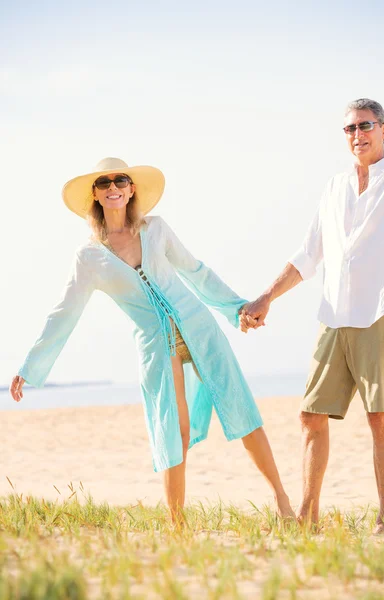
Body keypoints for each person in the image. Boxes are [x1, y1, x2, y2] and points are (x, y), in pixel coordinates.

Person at [10, 157, 295, 523]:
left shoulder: (156, 228)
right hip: (155, 347)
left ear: (131, 190)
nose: (113, 187)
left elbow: (196, 272)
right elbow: (64, 313)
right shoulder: (89, 256)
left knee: (240, 407)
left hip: (198, 327)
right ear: (96, 195)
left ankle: (282, 501)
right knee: (173, 428)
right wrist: (30, 367)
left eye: (120, 180)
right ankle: (178, 524)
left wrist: (237, 308)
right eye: (104, 183)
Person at [241, 99, 384, 533]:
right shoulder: (334, 187)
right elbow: (309, 255)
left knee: (378, 416)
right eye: (349, 129)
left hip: (381, 313)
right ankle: (308, 516)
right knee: (310, 414)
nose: (357, 135)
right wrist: (267, 297)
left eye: (365, 126)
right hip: (333, 317)